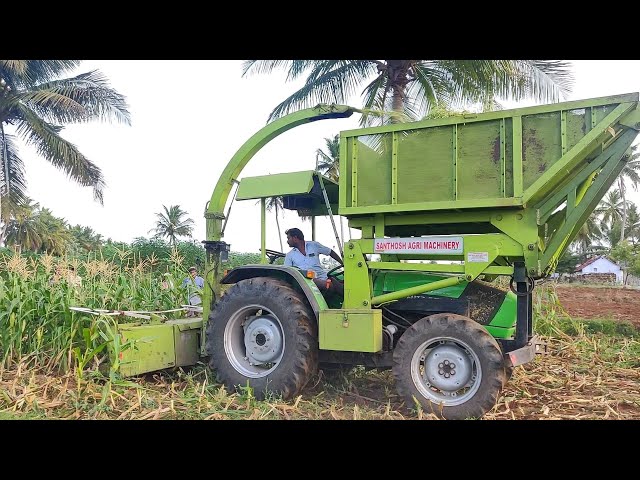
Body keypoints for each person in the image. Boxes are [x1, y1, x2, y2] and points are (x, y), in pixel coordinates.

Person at [284, 228, 344, 296]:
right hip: (307, 281)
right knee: (324, 283)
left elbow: (330, 252)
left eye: (288, 238)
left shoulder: (314, 245)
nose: (287, 241)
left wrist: (343, 263)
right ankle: (329, 286)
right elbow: (287, 272)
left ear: (295, 238)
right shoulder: (290, 255)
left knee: (340, 282)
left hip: (323, 277)